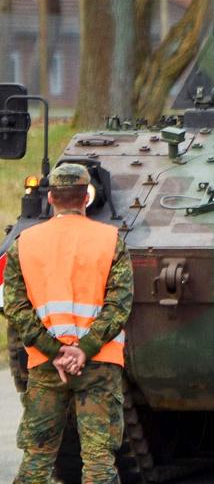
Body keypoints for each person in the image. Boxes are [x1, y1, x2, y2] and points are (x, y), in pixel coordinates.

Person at [3, 163, 133, 483]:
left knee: (37, 458)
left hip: (47, 365)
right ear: (85, 199)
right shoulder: (111, 240)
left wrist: (54, 350)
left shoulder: (25, 242)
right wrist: (83, 349)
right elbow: (119, 305)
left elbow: (14, 306)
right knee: (99, 461)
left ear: (50, 198)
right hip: (99, 363)